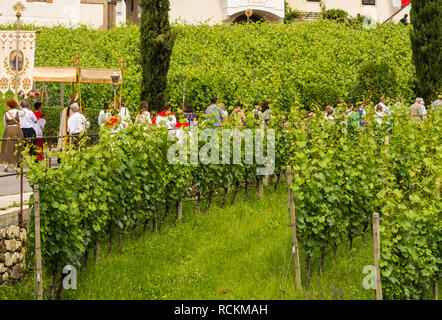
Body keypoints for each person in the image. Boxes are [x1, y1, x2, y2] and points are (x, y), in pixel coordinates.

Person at [0, 99, 24, 172]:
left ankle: (6, 164)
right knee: (17, 146)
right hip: (17, 130)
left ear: (8, 105)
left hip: (8, 130)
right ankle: (15, 166)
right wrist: (19, 105)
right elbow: (24, 112)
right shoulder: (18, 112)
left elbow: (5, 124)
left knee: (7, 146)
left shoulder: (6, 114)